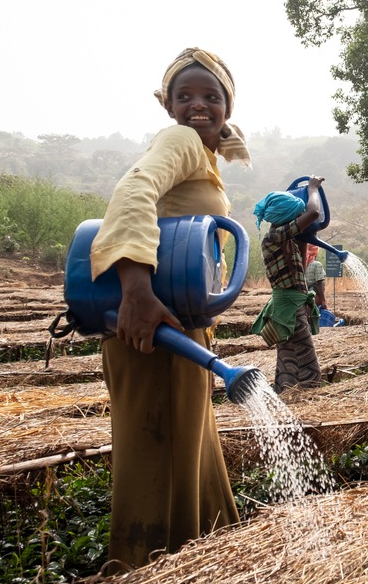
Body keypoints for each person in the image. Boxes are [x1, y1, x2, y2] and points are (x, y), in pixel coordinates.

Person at [89, 48, 247, 573]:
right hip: (150, 327)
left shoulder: (205, 155)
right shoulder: (179, 140)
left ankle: (201, 560)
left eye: (210, 96)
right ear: (169, 106)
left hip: (178, 329)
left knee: (191, 453)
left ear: (228, 105)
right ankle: (149, 566)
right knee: (158, 463)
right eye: (185, 96)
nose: (197, 105)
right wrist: (135, 288)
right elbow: (133, 189)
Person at [251, 177, 327, 392]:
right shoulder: (274, 237)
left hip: (292, 306)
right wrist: (313, 188)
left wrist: (303, 239)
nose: (299, 219)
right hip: (288, 309)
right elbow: (313, 213)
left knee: (288, 359)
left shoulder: (285, 241)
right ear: (286, 217)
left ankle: (286, 397)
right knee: (308, 365)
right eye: (296, 216)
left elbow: (300, 272)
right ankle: (305, 402)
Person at [305, 244, 327, 308]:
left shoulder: (301, 264)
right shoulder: (317, 265)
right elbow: (319, 283)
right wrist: (323, 300)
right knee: (315, 316)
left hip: (302, 296)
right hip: (314, 296)